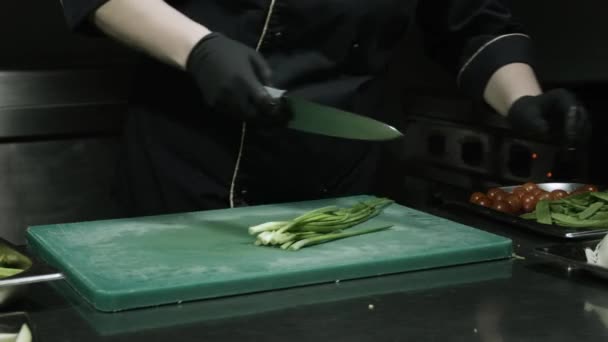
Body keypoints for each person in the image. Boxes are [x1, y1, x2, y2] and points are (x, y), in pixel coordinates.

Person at [59, 0, 589, 216]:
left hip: (337, 183)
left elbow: (471, 22)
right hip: (186, 174)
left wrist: (524, 100)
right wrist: (199, 48)